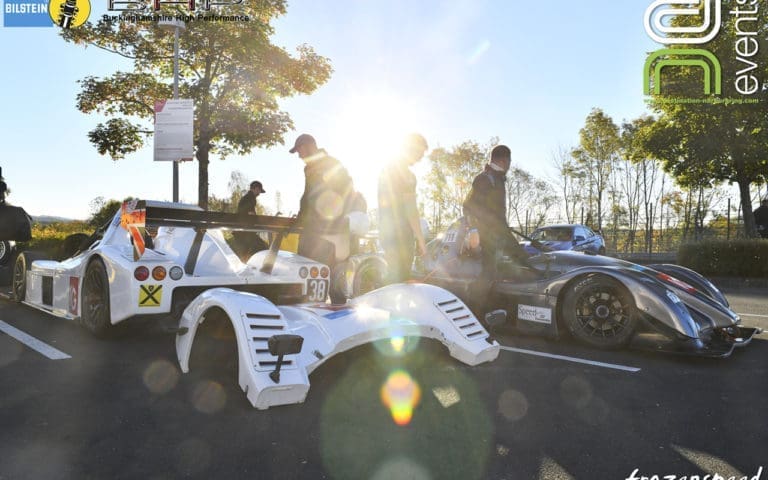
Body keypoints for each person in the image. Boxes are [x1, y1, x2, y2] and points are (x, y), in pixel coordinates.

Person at [462, 145, 529, 315]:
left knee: (517, 261)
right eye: (509, 161)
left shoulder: (497, 178)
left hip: (499, 233)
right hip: (487, 235)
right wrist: (475, 230)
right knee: (489, 272)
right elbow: (469, 206)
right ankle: (472, 310)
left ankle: (496, 307)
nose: (509, 165)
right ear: (504, 160)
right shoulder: (485, 179)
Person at [290, 133, 355, 304]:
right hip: (314, 229)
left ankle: (339, 315)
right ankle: (311, 311)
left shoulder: (332, 164)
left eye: (299, 151)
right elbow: (307, 197)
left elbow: (347, 189)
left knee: (335, 278)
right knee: (309, 271)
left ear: (308, 146)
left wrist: (334, 215)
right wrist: (299, 218)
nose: (299, 155)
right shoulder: (309, 168)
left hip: (332, 230)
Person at [377, 133, 429, 284]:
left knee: (391, 278)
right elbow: (411, 209)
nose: (420, 158)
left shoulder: (386, 170)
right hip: (401, 236)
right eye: (420, 153)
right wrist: (421, 241)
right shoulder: (407, 175)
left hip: (386, 232)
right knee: (402, 279)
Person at [233, 180, 269, 260]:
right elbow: (250, 213)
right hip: (245, 232)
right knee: (263, 247)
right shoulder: (250, 198)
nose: (259, 193)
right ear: (255, 188)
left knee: (246, 253)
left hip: (242, 232)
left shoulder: (248, 197)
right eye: (259, 190)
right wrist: (258, 221)